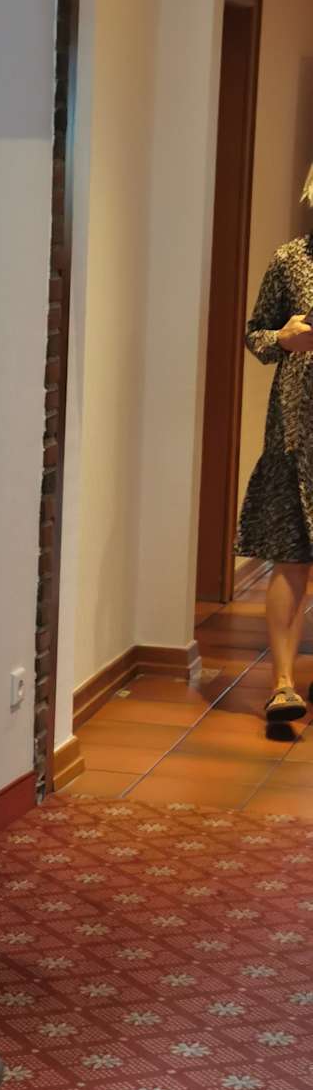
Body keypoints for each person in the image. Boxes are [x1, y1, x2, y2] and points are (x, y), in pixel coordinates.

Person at [236, 163, 313, 722]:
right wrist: (283, 338)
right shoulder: (290, 259)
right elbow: (255, 334)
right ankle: (283, 684)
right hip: (295, 432)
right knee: (291, 557)